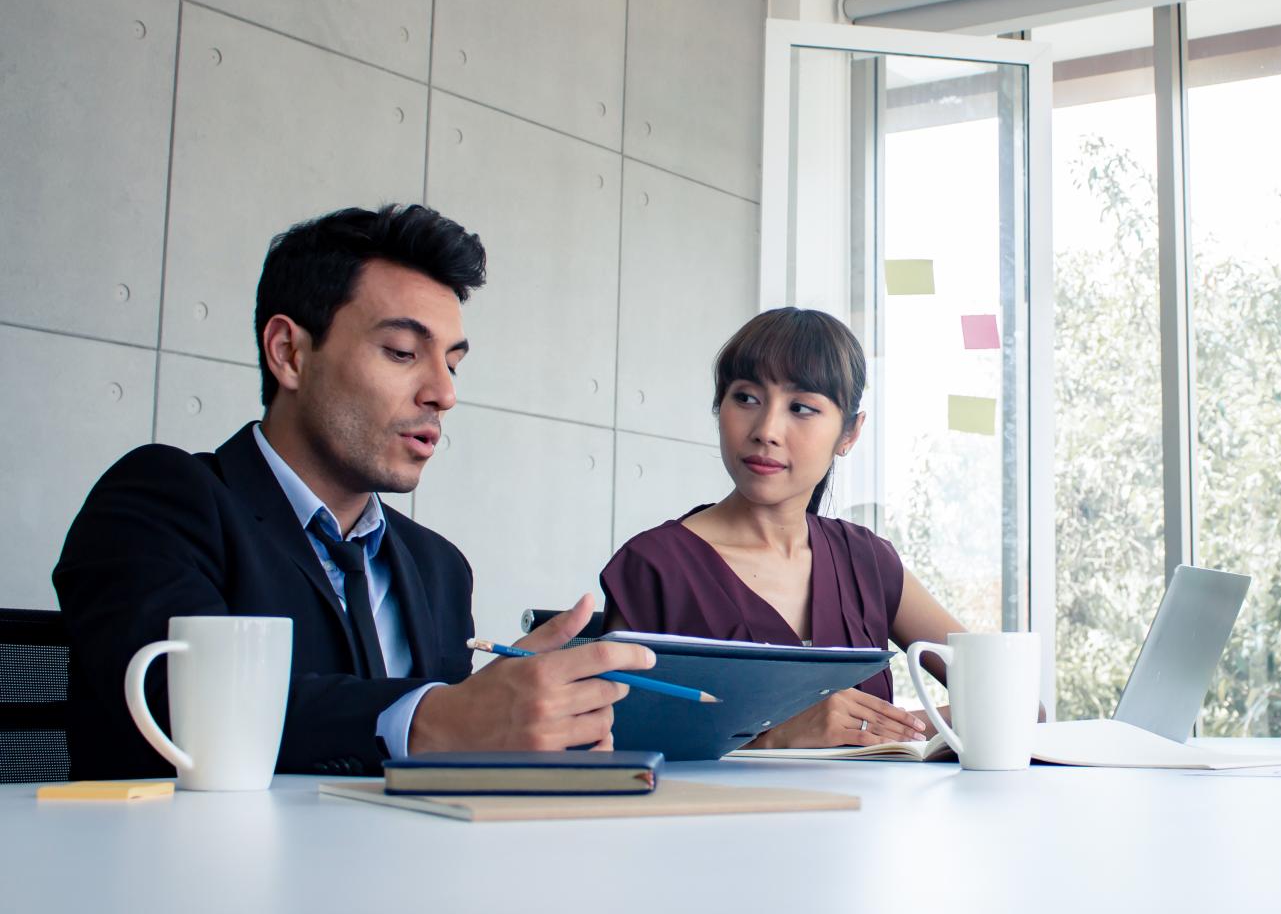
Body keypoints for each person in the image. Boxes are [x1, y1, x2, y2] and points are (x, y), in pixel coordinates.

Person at [54, 204, 658, 779]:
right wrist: (439, 718)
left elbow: (432, 767)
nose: (443, 394)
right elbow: (184, 705)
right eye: (402, 352)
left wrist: (518, 728)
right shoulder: (161, 500)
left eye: (453, 364)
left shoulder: (439, 568)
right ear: (289, 353)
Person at [600, 307, 969, 749]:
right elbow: (610, 743)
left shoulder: (868, 560)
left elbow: (1016, 700)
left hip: (870, 817)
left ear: (850, 433)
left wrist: (880, 730)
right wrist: (773, 738)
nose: (767, 430)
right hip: (707, 818)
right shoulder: (654, 567)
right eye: (746, 398)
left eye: (801, 408)